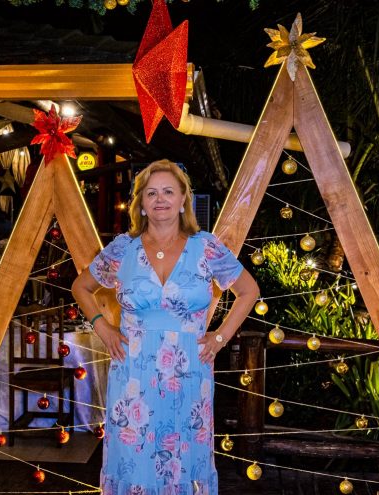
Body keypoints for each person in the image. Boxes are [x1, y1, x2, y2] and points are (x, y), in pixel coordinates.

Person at [72, 159, 259, 494]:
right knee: (134, 459)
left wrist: (219, 337)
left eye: (168, 192)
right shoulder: (123, 249)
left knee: (186, 458)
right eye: (152, 193)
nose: (160, 199)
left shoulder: (206, 247)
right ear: (141, 203)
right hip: (133, 373)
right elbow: (80, 287)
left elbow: (249, 291)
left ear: (183, 199)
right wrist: (103, 328)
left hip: (189, 373)